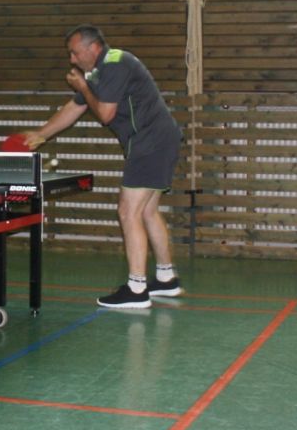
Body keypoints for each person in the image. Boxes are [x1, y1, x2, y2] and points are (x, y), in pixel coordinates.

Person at [23, 25, 183, 309]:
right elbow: (75, 107)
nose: (72, 59)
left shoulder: (114, 65)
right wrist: (41, 134)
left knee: (128, 211)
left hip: (149, 142)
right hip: (158, 140)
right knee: (147, 211)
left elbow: (106, 114)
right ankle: (166, 278)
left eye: (75, 53)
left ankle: (136, 289)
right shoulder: (100, 71)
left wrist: (83, 87)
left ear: (93, 48)